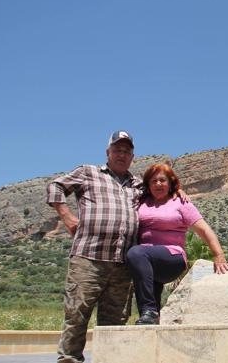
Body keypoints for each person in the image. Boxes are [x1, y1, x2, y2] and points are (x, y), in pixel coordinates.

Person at [46, 131, 142, 363]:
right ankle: (69, 358)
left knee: (116, 322)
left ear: (132, 156)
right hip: (88, 258)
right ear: (108, 153)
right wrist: (66, 216)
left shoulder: (138, 183)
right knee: (76, 314)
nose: (122, 154)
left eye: (126, 151)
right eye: (117, 150)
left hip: (122, 264)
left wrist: (178, 189)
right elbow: (55, 187)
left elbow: (163, 192)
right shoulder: (88, 172)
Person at [126, 163, 228, 325]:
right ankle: (150, 319)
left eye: (162, 180)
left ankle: (149, 310)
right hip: (145, 260)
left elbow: (204, 230)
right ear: (148, 184)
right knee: (143, 269)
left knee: (136, 253)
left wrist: (219, 255)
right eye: (154, 181)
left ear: (170, 183)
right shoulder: (142, 201)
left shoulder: (180, 203)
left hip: (172, 258)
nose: (158, 184)